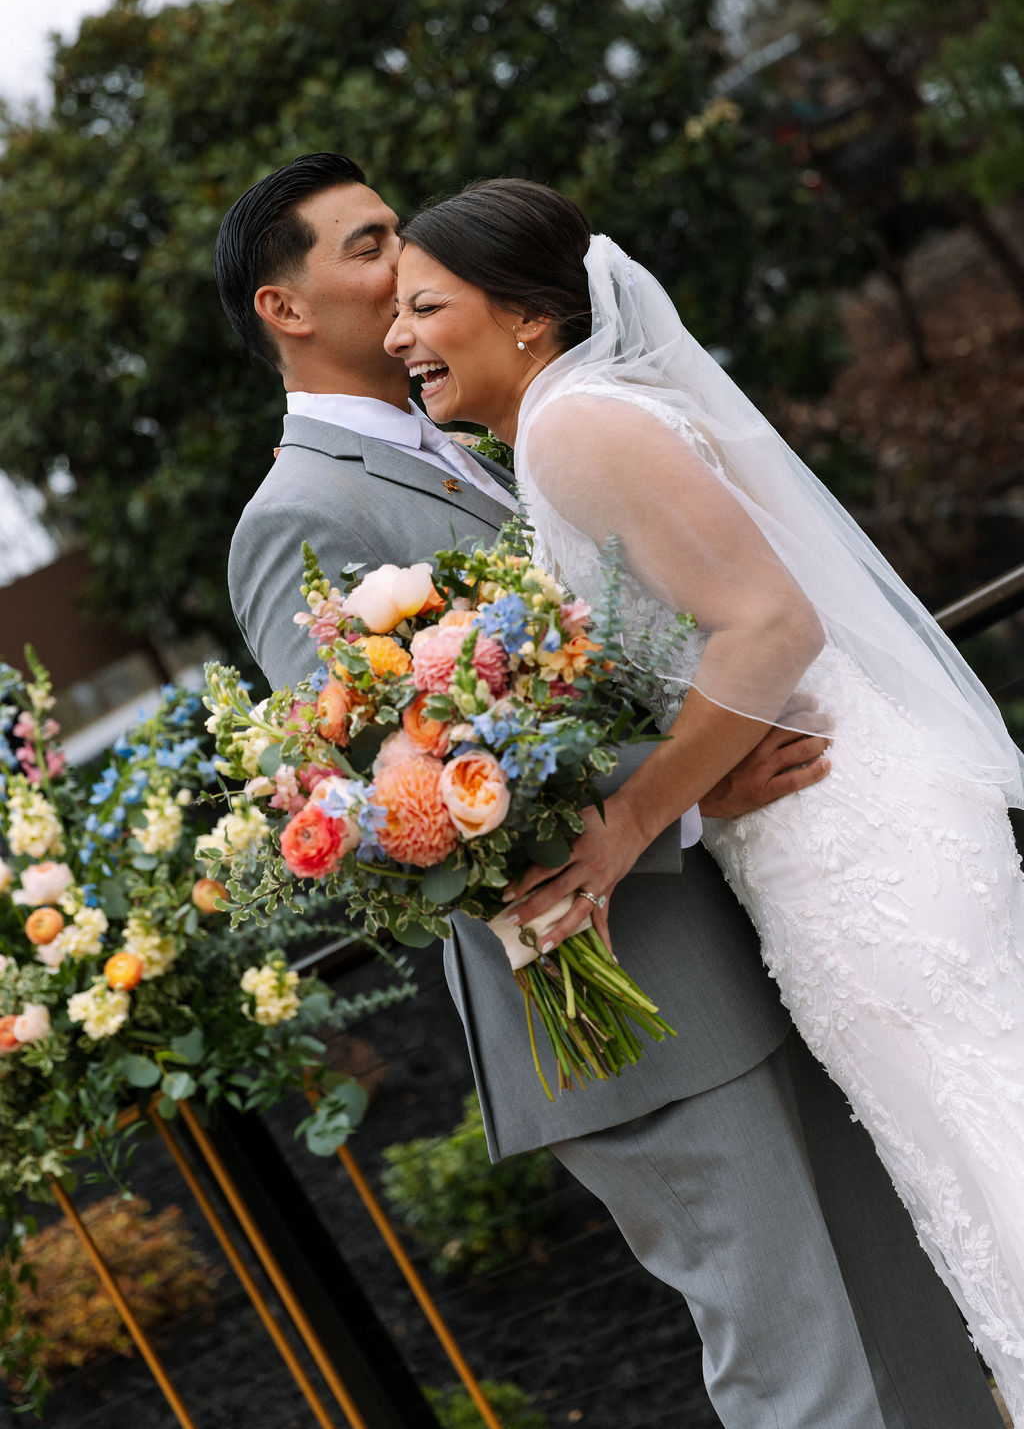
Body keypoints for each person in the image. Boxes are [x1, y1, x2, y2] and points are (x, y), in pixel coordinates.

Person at [218, 154, 1003, 1429]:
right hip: (631, 1006)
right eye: (368, 248)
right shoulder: (295, 516)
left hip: (783, 924)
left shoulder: (508, 424)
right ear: (285, 306)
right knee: (807, 1377)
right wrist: (685, 792)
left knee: (914, 1328)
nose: (403, 271)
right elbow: (392, 801)